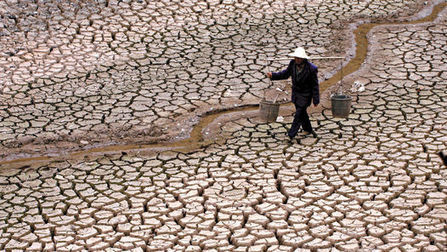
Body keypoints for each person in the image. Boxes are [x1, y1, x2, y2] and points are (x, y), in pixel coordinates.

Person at [266, 47, 319, 141]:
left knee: (298, 114)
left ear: (303, 58)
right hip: (296, 93)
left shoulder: (311, 69)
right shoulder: (292, 64)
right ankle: (308, 129)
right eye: (296, 58)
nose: (297, 60)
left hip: (306, 95)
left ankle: (291, 134)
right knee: (302, 113)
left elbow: (315, 85)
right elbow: (285, 74)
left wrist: (316, 99)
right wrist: (273, 75)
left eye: (299, 58)